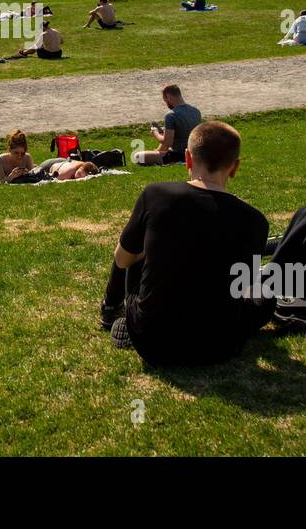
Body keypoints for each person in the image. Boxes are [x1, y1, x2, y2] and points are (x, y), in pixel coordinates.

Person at [101, 120, 273, 365]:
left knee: (134, 251)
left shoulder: (156, 195)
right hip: (218, 346)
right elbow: (240, 287)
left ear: (188, 159)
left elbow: (122, 259)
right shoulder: (255, 221)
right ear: (234, 168)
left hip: (152, 341)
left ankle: (110, 309)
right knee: (264, 293)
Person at [135, 84, 203, 166]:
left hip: (179, 155)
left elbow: (167, 143)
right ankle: (157, 152)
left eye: (165, 100)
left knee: (138, 156)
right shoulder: (196, 111)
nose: (166, 103)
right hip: (194, 153)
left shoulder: (171, 115)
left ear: (168, 97)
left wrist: (155, 133)